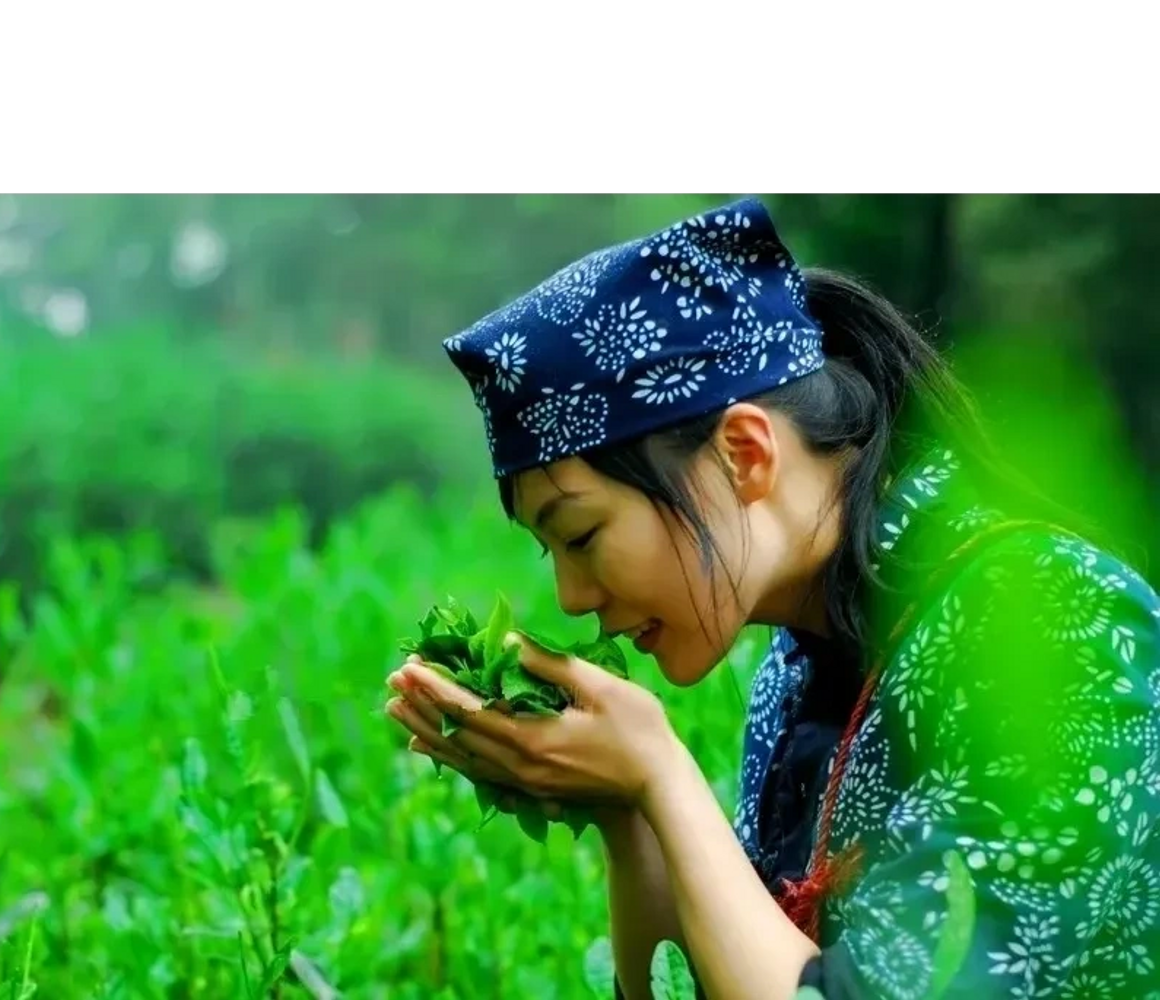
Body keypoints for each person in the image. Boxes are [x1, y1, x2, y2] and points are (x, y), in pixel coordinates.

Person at [383, 196, 1160, 1000]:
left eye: (579, 535)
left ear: (743, 455)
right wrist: (626, 811)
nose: (573, 597)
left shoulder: (1057, 627)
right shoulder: (796, 664)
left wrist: (659, 771)